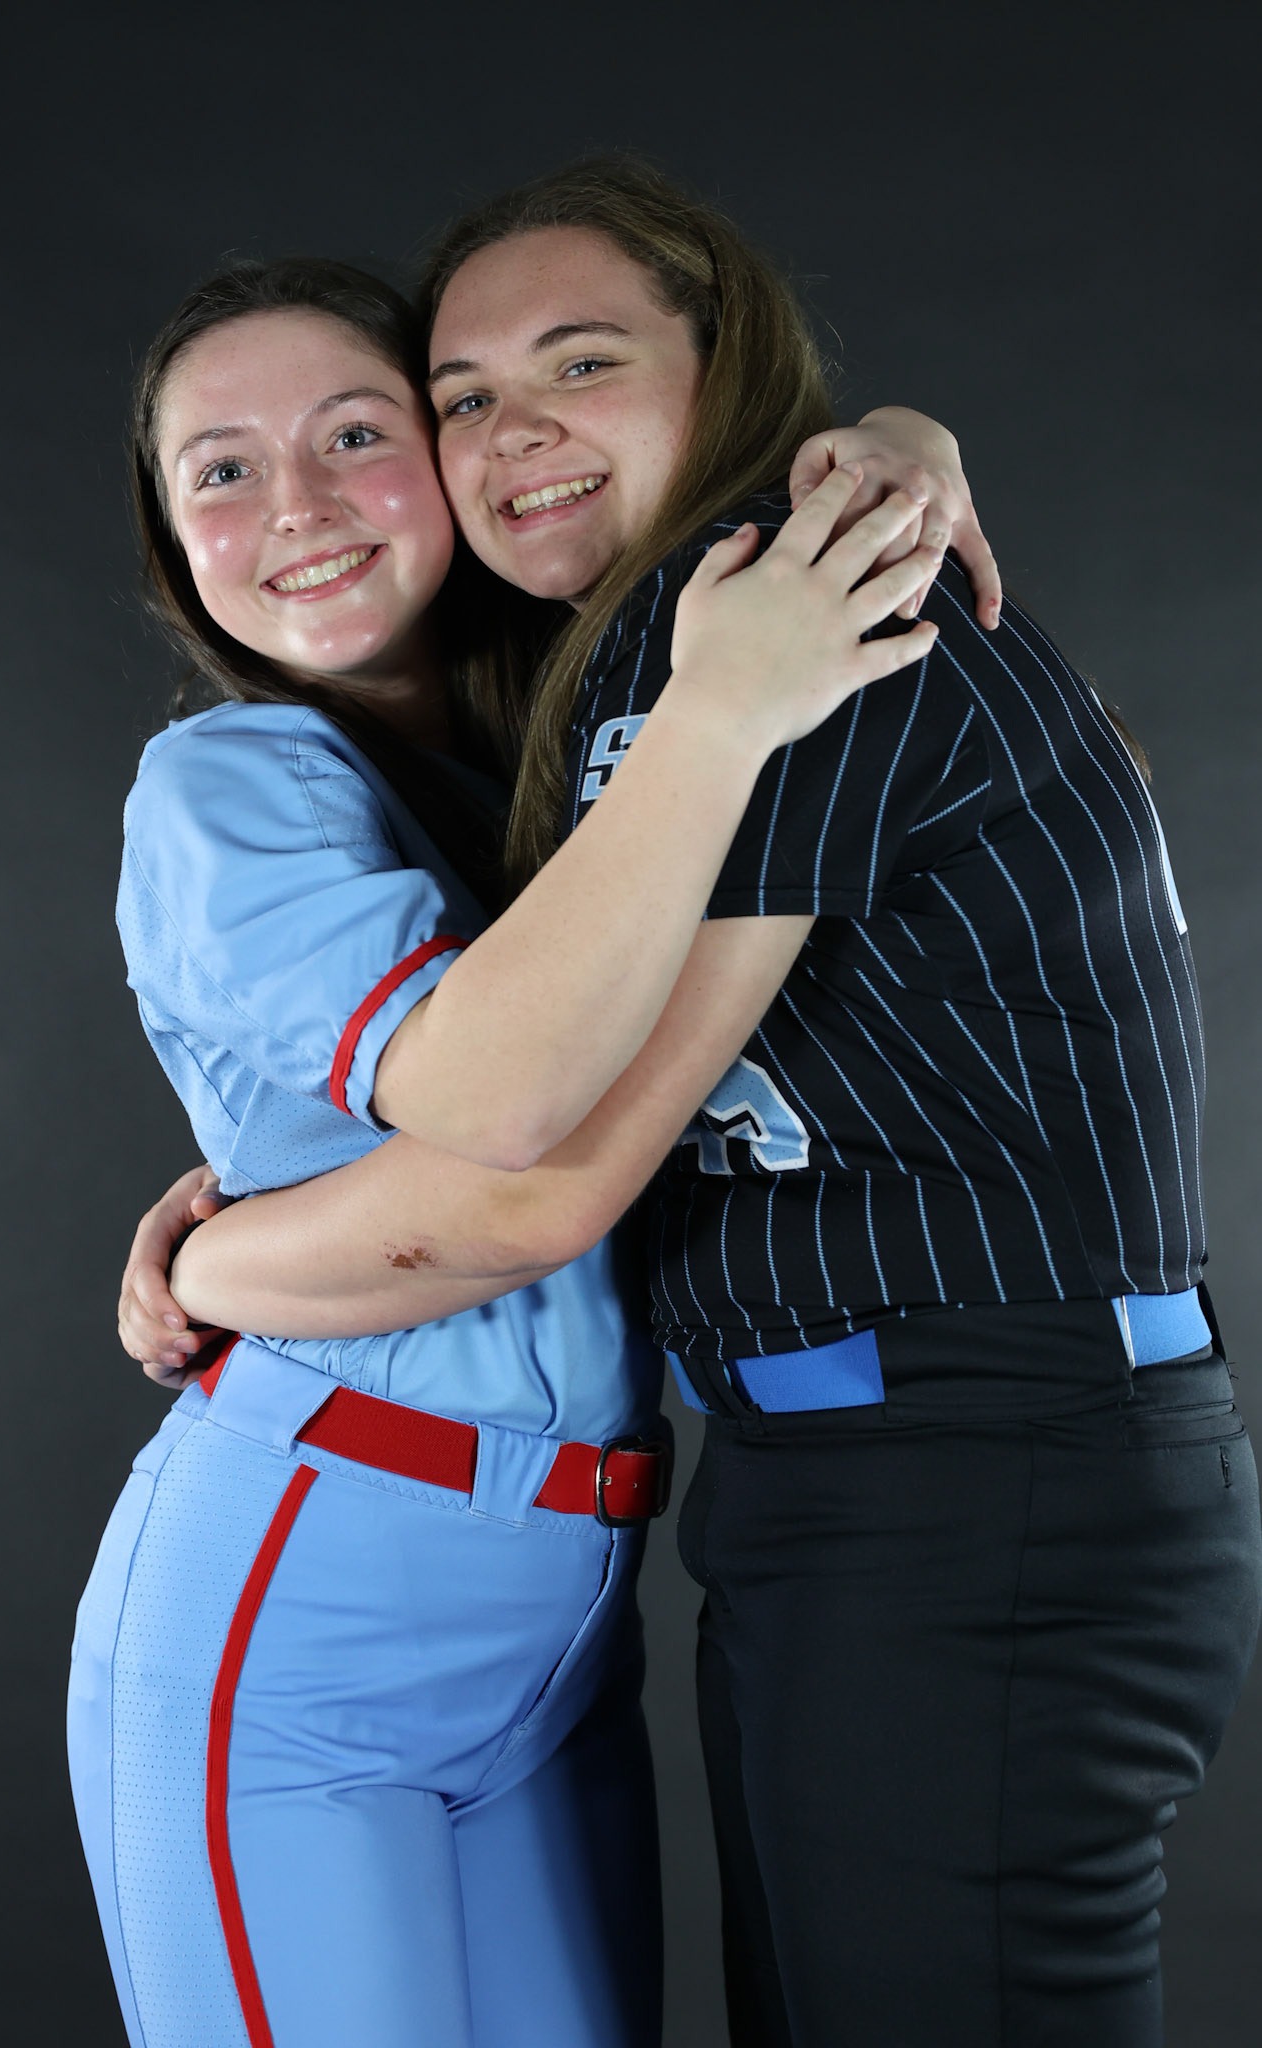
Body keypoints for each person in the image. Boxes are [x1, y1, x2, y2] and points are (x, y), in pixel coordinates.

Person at [126, 160, 1262, 2048]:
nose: (516, 432)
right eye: (469, 395)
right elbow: (511, 1079)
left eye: (581, 363)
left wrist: (208, 1271)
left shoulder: (758, 631)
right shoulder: (648, 679)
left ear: (725, 370)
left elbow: (538, 1169)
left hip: (976, 1468)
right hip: (834, 1486)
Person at [73, 244, 955, 2048]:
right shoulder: (227, 780)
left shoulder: (550, 748)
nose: (294, 507)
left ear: (455, 462)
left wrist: (896, 445)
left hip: (562, 1627)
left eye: (352, 434)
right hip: (306, 1609)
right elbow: (508, 1163)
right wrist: (210, 1261)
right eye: (219, 468)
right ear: (173, 536)